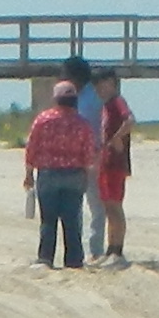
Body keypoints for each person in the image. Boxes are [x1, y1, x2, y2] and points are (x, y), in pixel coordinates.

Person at [23, 79, 96, 268]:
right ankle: (73, 259)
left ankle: (46, 257)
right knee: (72, 220)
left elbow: (32, 148)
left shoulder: (43, 120)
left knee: (48, 219)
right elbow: (88, 154)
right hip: (74, 175)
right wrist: (86, 175)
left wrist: (29, 173)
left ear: (56, 99)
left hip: (48, 174)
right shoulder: (83, 124)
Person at [89, 71, 136, 264]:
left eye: (101, 84)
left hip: (116, 164)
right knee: (108, 206)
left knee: (115, 207)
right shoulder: (106, 106)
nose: (98, 89)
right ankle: (110, 249)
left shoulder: (117, 101)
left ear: (110, 83)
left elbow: (130, 120)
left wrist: (117, 138)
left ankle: (118, 250)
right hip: (106, 163)